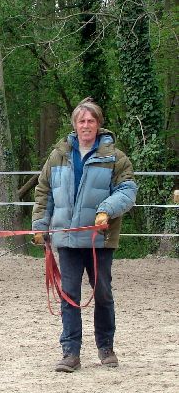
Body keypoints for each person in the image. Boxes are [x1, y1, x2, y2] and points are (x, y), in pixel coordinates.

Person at [32, 97, 137, 372]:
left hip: (98, 240)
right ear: (75, 125)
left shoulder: (115, 158)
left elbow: (127, 191)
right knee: (69, 295)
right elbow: (44, 192)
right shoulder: (58, 156)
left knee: (102, 293)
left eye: (91, 120)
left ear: (98, 124)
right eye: (82, 120)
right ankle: (70, 352)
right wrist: (40, 225)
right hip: (66, 238)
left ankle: (106, 347)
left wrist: (106, 210)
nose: (86, 125)